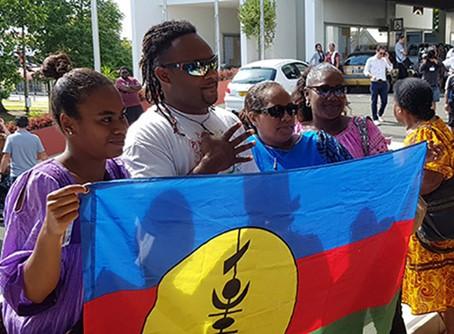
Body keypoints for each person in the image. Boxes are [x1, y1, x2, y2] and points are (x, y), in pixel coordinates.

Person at [0, 68, 129, 333]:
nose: (120, 127)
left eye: (121, 116)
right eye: (106, 119)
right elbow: (32, 292)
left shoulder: (119, 175)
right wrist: (51, 232)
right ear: (68, 124)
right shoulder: (45, 185)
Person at [122, 20, 256, 177]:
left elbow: (253, 191)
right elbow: (157, 201)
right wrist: (208, 167)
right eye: (196, 67)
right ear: (164, 75)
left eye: (212, 63)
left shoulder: (230, 122)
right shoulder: (147, 134)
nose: (212, 74)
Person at [393, 77, 454, 334]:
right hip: (444, 225)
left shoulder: (423, 134)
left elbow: (429, 180)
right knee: (449, 293)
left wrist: (398, 172)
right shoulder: (438, 126)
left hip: (434, 230)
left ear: (401, 109)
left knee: (447, 290)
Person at [239, 81, 351, 172]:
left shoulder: (321, 144)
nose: (287, 117)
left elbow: (353, 178)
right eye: (277, 111)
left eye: (290, 109)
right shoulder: (245, 152)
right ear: (253, 118)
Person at [303, 63, 388, 159]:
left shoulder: (363, 129)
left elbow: (383, 169)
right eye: (324, 90)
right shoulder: (294, 136)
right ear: (307, 94)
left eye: (339, 90)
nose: (333, 97)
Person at [0, 116, 48, 182]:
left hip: (16, 175)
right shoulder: (35, 138)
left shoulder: (11, 139)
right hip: (31, 175)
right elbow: (43, 156)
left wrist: (1, 173)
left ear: (16, 124)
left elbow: (6, 157)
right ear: (27, 124)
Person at [363, 45, 393, 125]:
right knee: (374, 101)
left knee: (384, 101)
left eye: (383, 53)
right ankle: (375, 118)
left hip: (383, 82)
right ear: (376, 51)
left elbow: (390, 68)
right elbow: (365, 71)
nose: (382, 55)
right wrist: (371, 75)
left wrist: (387, 58)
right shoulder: (370, 60)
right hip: (374, 82)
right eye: (380, 53)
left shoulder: (384, 60)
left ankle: (379, 114)